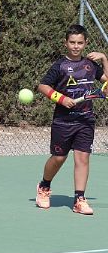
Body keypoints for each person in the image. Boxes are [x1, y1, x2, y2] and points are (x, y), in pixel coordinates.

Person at [36, 24, 108, 214]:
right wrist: (61, 98)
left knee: (83, 158)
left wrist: (104, 58)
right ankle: (44, 186)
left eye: (80, 43)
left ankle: (79, 199)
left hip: (86, 120)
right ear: (66, 43)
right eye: (72, 42)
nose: (76, 46)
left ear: (85, 44)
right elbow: (43, 86)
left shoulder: (91, 65)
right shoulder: (59, 66)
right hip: (63, 121)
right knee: (59, 158)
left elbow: (107, 85)